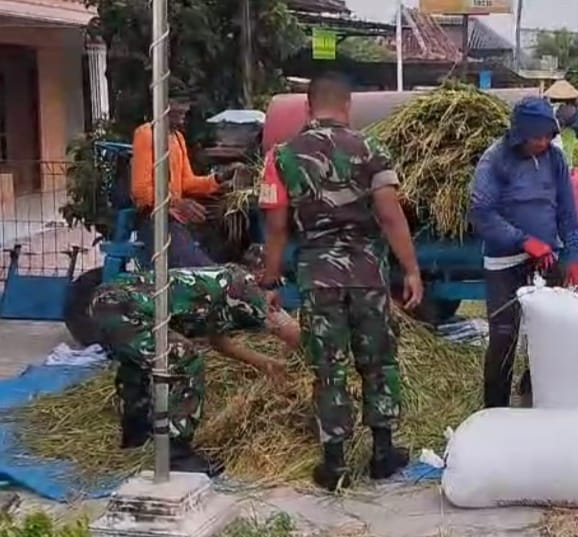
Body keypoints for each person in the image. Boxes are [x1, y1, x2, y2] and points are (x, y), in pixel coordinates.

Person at [258, 72, 423, 491]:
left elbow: (275, 228)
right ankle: (383, 452)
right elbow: (390, 215)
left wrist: (269, 280)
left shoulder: (282, 157)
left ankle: (334, 464)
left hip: (318, 278)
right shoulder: (372, 148)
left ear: (309, 107)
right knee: (379, 361)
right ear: (347, 106)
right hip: (368, 275)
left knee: (328, 368)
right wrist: (411, 270)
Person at [92, 260, 300, 475]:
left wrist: (266, 364)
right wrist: (313, 357)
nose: (278, 295)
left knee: (137, 365)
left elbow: (218, 341)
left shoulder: (219, 283)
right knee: (184, 360)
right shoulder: (244, 285)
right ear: (261, 274)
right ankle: (177, 455)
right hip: (128, 307)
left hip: (107, 300)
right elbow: (287, 329)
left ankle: (137, 436)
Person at [470, 96, 578, 409]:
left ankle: (536, 397)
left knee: (551, 332)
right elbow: (482, 213)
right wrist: (522, 240)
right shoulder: (495, 160)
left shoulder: (555, 159)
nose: (543, 142)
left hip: (548, 256)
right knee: (504, 336)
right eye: (537, 137)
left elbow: (566, 210)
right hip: (505, 260)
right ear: (519, 134)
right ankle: (495, 410)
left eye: (548, 135)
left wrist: (573, 255)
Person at [130, 97, 235, 267]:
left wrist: (218, 179)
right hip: (155, 220)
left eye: (186, 103)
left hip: (178, 217)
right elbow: (141, 191)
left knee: (227, 224)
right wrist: (177, 203)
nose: (185, 109)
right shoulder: (146, 134)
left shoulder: (178, 138)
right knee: (195, 265)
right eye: (179, 103)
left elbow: (187, 182)